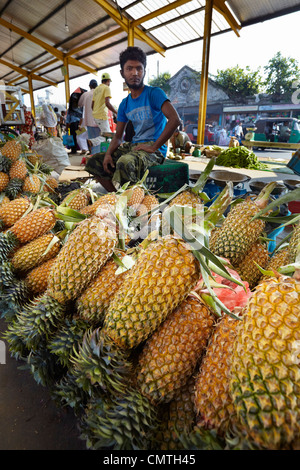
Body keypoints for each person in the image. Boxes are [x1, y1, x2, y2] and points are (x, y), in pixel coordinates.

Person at [85, 46, 181, 192]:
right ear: (122, 73)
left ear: (144, 71)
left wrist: (153, 147)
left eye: (139, 68)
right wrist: (109, 154)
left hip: (154, 150)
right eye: (129, 68)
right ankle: (117, 198)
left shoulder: (154, 94)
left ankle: (131, 203)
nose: (135, 73)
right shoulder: (125, 104)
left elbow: (174, 120)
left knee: (125, 162)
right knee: (94, 161)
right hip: (135, 146)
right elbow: (118, 137)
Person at [91, 72, 118, 140]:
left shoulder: (96, 89)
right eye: (109, 82)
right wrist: (116, 112)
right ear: (108, 81)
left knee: (105, 134)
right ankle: (92, 141)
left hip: (95, 115)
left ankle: (98, 145)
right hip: (102, 115)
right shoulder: (106, 88)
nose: (109, 84)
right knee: (107, 136)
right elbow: (107, 103)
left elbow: (92, 105)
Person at [78, 79, 101, 155]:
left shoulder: (85, 94)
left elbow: (79, 104)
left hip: (90, 122)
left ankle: (94, 156)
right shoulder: (101, 93)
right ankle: (99, 155)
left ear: (90, 86)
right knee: (100, 139)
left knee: (92, 140)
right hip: (101, 121)